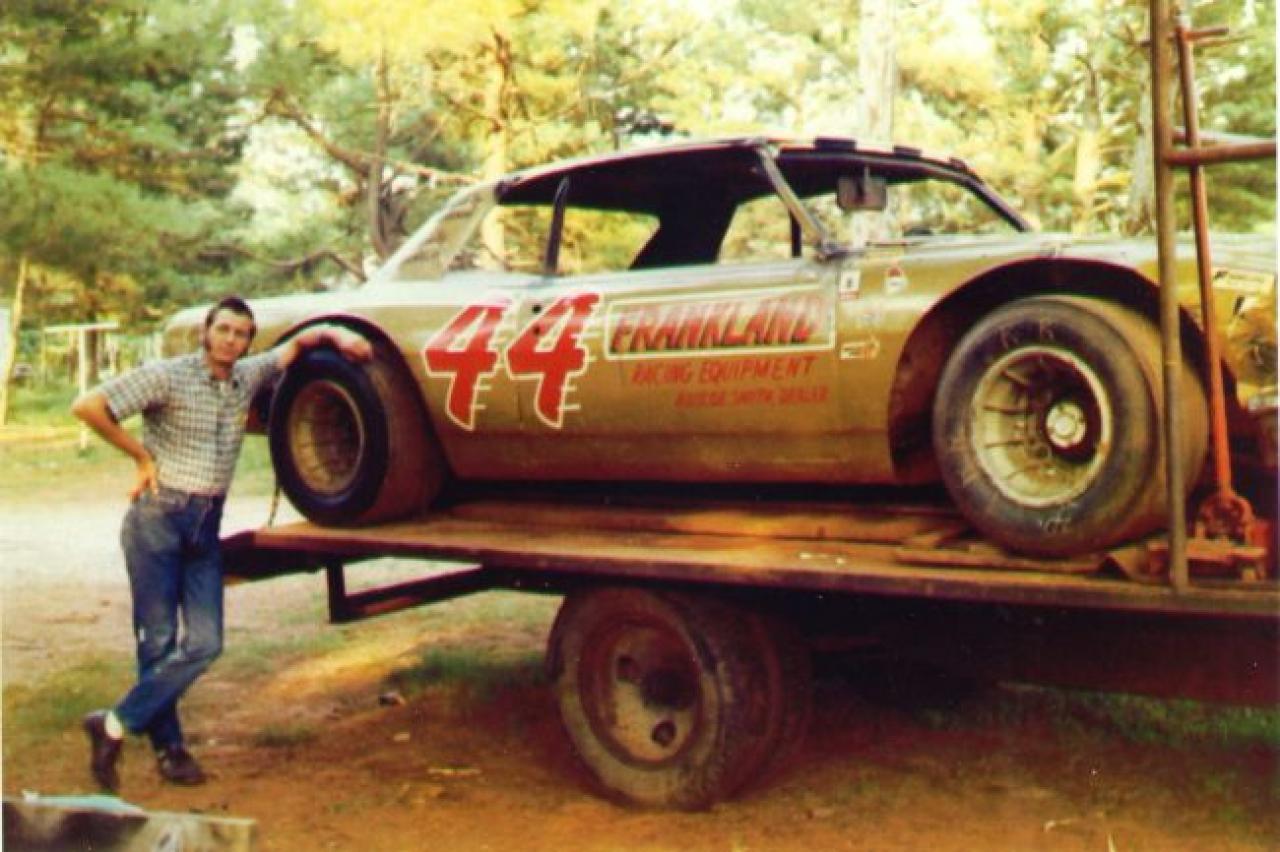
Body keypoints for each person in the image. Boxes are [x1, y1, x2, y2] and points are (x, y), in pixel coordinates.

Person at [71, 295, 370, 791]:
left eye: (241, 334)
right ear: (206, 332)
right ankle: (171, 751)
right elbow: (88, 406)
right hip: (158, 519)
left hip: (205, 524)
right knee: (159, 640)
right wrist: (141, 457)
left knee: (206, 643)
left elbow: (298, 345)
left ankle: (114, 724)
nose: (231, 340)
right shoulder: (167, 375)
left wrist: (338, 335)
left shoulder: (246, 377)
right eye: (224, 330)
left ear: (247, 341)